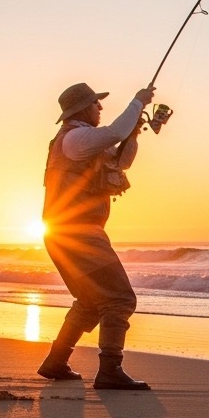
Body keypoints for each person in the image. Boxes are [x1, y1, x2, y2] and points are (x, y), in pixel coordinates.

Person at [36, 81, 155, 390]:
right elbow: (114, 133)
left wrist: (136, 130)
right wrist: (137, 102)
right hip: (77, 233)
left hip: (64, 232)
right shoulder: (75, 137)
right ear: (81, 109)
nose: (100, 107)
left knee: (89, 301)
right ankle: (110, 371)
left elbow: (120, 161)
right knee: (120, 298)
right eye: (95, 103)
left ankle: (56, 361)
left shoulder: (83, 141)